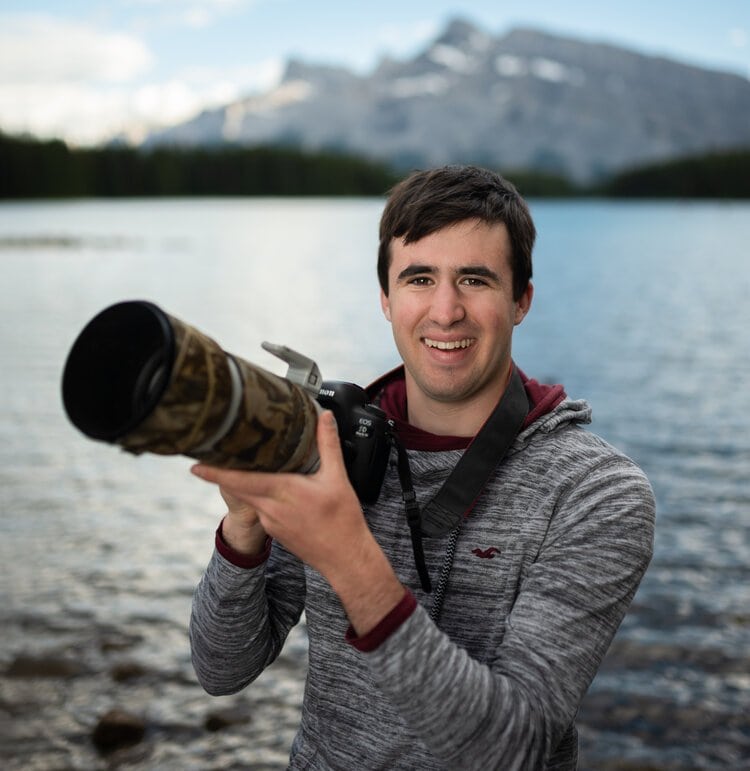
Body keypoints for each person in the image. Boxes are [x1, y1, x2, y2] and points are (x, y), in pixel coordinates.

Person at [189, 165, 655, 770]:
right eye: (418, 278)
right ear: (385, 299)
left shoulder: (596, 494)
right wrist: (245, 523)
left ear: (521, 301)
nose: (445, 310)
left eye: (474, 279)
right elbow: (222, 669)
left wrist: (347, 556)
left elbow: (514, 747)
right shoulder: (329, 445)